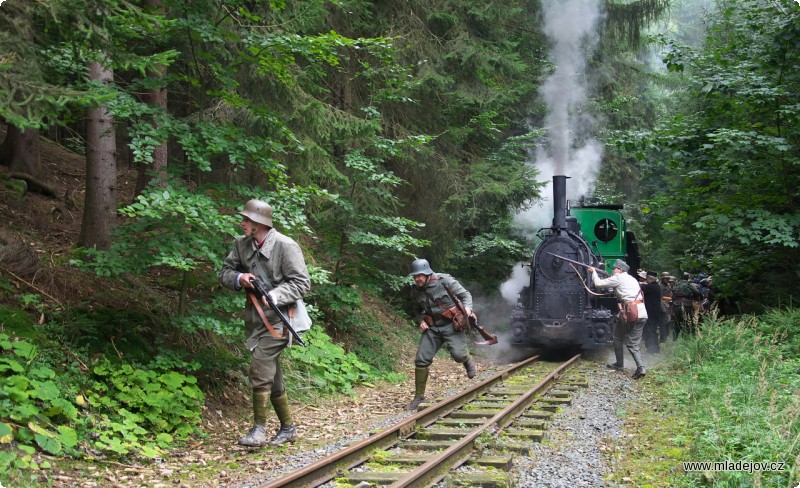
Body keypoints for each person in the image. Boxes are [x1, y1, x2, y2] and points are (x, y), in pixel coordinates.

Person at [219, 199, 311, 447]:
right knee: (272, 373)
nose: (243, 223)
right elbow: (225, 273)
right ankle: (288, 428)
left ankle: (259, 430)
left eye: (246, 220)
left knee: (259, 370)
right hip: (256, 320)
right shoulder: (241, 245)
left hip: (281, 320)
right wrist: (241, 278)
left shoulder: (285, 246)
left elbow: (302, 283)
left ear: (258, 223)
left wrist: (277, 295)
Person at [406, 258, 476, 410]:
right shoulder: (415, 290)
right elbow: (417, 310)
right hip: (433, 328)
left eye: (420, 275)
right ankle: (418, 397)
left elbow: (466, 295)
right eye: (415, 276)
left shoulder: (444, 281)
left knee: (458, 355)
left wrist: (468, 309)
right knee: (421, 359)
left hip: (452, 325)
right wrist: (420, 320)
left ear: (427, 273)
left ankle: (467, 359)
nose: (417, 278)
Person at [588, 259, 647, 379]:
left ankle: (640, 367)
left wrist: (593, 272)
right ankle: (621, 364)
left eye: (614, 268)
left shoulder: (619, 278)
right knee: (618, 336)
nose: (612, 270)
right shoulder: (632, 279)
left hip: (631, 312)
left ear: (620, 270)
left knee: (629, 343)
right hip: (640, 313)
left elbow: (598, 284)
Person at [640, 271, 667, 353]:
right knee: (652, 331)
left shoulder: (651, 287)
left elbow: (641, 287)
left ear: (649, 278)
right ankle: (654, 348)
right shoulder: (656, 286)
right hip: (654, 313)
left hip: (651, 313)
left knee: (649, 331)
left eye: (647, 279)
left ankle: (652, 349)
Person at [672, 272, 703, 337]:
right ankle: (686, 337)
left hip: (676, 304)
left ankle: (674, 338)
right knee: (687, 321)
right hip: (686, 304)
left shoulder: (676, 284)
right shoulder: (688, 284)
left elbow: (673, 293)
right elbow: (697, 293)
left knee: (676, 322)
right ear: (687, 278)